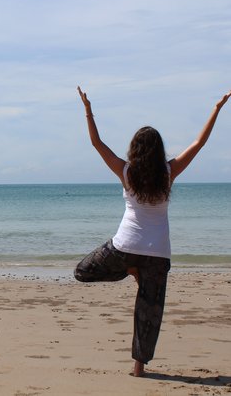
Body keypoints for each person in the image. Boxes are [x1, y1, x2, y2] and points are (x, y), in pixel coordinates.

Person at [74, 86, 231, 377]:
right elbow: (199, 143)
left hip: (124, 248)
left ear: (135, 149)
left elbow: (97, 143)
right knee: (149, 313)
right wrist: (217, 109)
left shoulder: (126, 172)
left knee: (82, 271)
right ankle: (138, 369)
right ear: (159, 151)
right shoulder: (169, 173)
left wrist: (88, 109)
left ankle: (131, 270)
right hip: (158, 254)